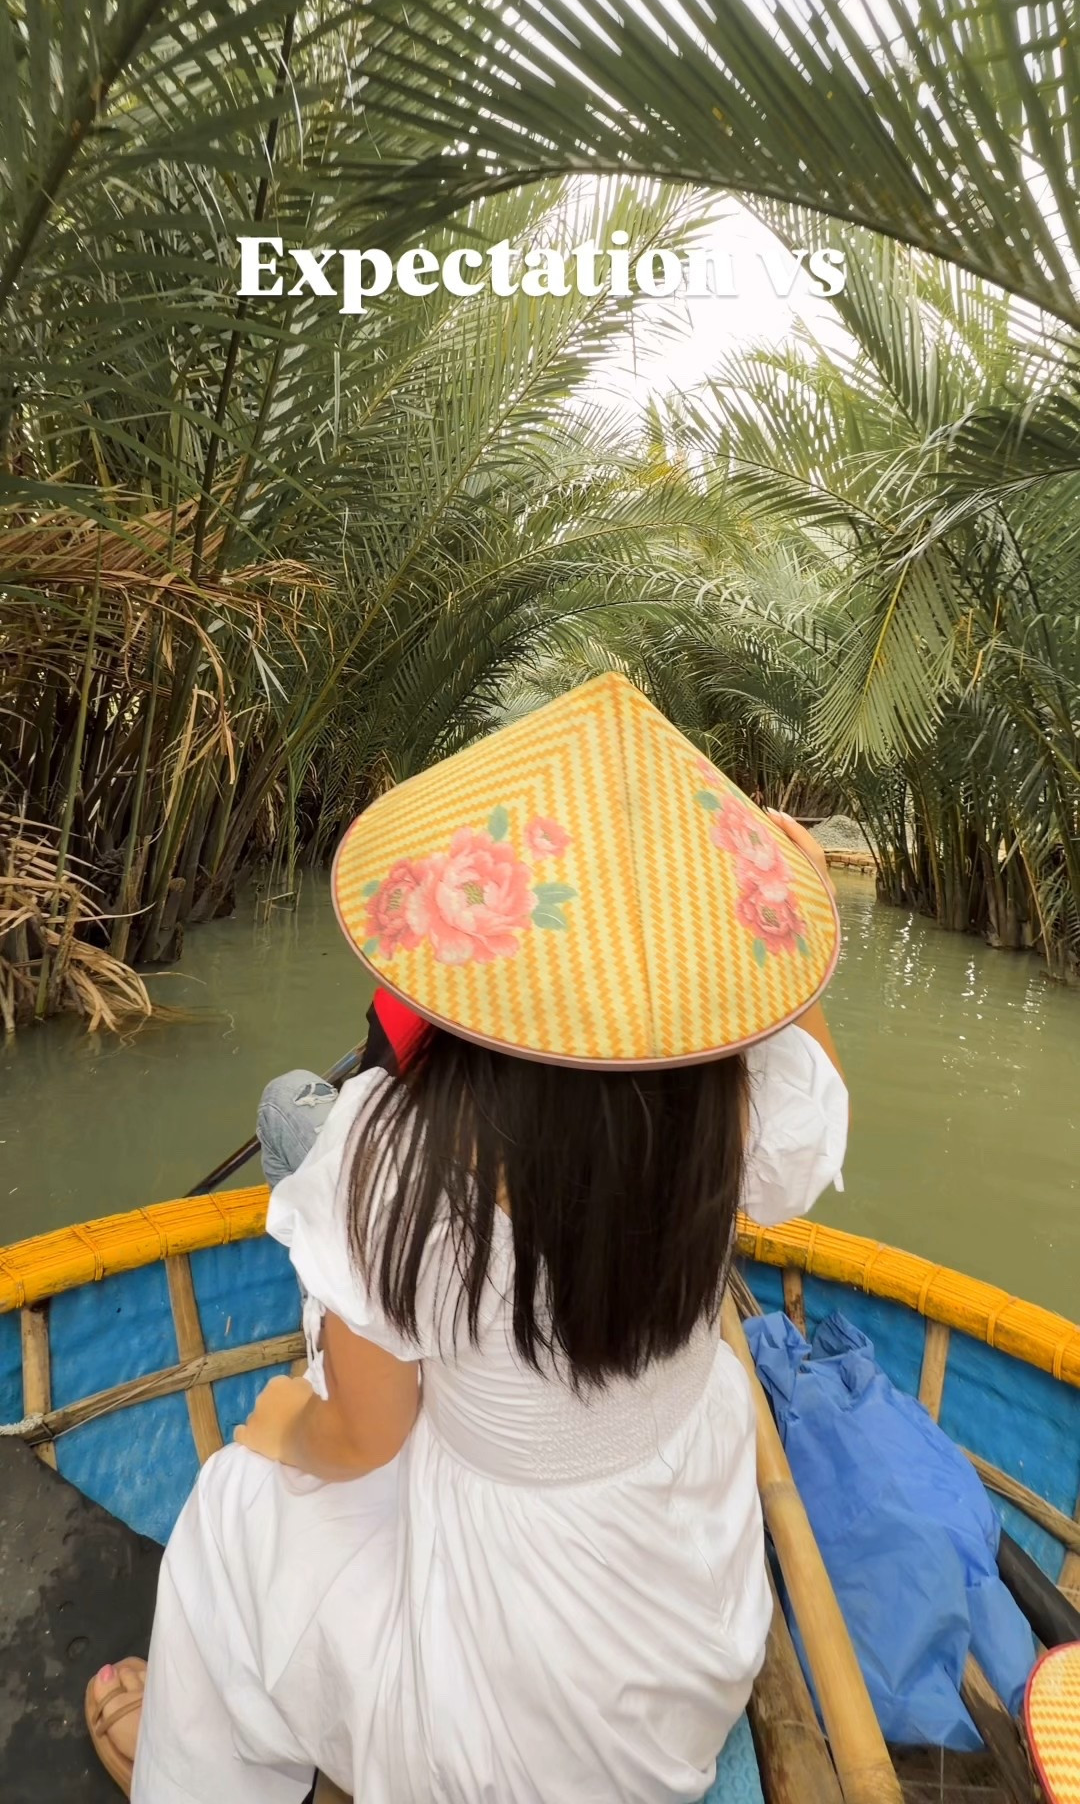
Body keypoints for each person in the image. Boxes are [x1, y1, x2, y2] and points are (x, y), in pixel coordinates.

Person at [85, 673, 848, 1804]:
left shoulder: (396, 1149)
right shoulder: (740, 1095)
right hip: (683, 1648)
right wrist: (796, 902)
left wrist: (283, 1428)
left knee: (232, 1508)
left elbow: (363, 1440)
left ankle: (197, 1771)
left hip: (501, 1728)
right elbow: (811, 1088)